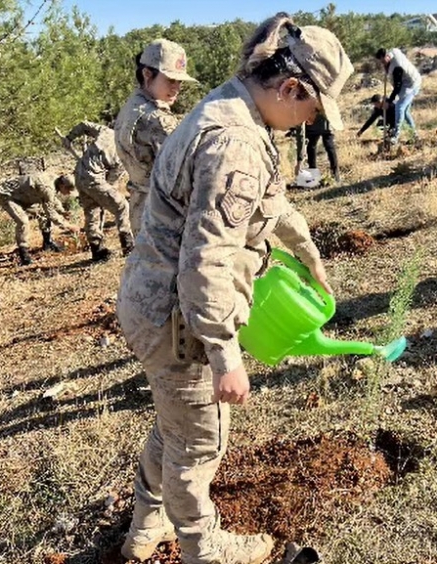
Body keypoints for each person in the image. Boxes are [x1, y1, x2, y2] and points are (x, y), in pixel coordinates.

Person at [116, 12, 353, 564]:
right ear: (290, 88)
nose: (306, 123)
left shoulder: (234, 108)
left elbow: (268, 205)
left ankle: (143, 530)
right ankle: (205, 548)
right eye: (311, 110)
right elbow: (206, 261)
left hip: (153, 301)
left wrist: (307, 247)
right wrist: (224, 353)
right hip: (180, 319)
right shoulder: (235, 144)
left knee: (175, 424)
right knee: (200, 443)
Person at [115, 38, 197, 235]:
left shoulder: (130, 107)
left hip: (140, 209)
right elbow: (186, 173)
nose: (176, 87)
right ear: (147, 74)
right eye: (170, 79)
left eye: (179, 81)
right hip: (166, 217)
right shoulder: (156, 119)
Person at [64, 121, 134, 261]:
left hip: (79, 175)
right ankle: (128, 245)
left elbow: (83, 125)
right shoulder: (123, 152)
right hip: (94, 178)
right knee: (121, 206)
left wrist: (69, 138)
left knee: (92, 211)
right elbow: (111, 184)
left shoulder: (105, 131)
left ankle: (97, 250)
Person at [0, 173, 79, 266]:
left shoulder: (55, 181)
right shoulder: (47, 187)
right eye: (68, 190)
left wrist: (62, 211)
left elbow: (52, 199)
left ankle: (48, 243)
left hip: (25, 194)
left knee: (42, 213)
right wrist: (68, 226)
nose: (68, 193)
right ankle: (24, 254)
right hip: (7, 194)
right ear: (62, 185)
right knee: (23, 221)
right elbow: (50, 212)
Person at [374, 47, 422, 144]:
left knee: (399, 107)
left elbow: (397, 87)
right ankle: (414, 135)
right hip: (409, 82)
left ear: (387, 56)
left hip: (411, 85)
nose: (382, 64)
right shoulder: (393, 51)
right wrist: (386, 66)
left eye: (383, 61)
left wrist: (389, 100)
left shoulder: (396, 67)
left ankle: (395, 136)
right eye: (381, 62)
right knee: (405, 112)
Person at [290, 114, 340, 183]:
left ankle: (314, 176)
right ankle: (336, 176)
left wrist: (299, 160)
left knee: (313, 147)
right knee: (328, 146)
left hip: (315, 124)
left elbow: (301, 135)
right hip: (325, 123)